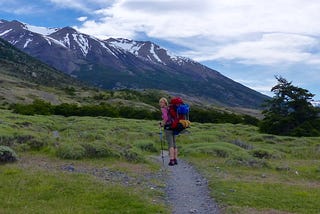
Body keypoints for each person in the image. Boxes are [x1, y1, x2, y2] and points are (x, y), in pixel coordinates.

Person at [159, 97, 178, 166]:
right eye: (160, 102)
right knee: (174, 144)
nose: (160, 103)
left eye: (161, 102)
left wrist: (161, 124)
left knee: (170, 144)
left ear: (165, 103)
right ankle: (175, 159)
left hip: (168, 128)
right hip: (174, 127)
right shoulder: (169, 108)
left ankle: (171, 160)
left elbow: (166, 118)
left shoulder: (164, 109)